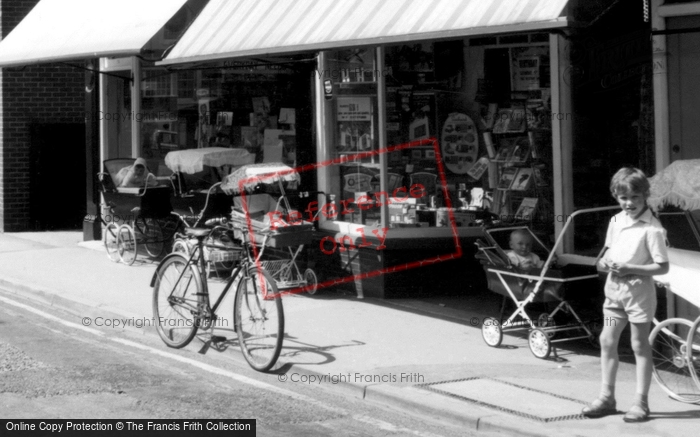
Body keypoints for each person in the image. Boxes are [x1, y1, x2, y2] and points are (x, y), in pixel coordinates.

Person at [582, 167, 669, 423]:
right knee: (607, 339)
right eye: (623, 198)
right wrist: (606, 262)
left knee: (639, 344)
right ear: (615, 196)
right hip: (615, 296)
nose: (629, 203)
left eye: (635, 198)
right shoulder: (616, 221)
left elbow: (662, 267)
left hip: (638, 297)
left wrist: (631, 268)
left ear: (645, 196)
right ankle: (607, 397)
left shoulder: (652, 229)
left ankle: (641, 403)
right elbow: (607, 253)